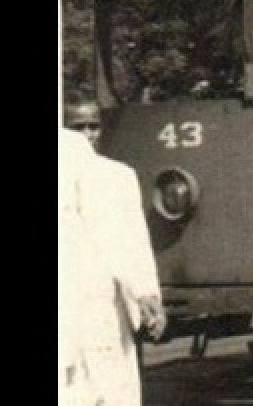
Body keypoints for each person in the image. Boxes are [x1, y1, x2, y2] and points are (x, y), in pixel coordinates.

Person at [59, 124, 166, 406]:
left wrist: (145, 291)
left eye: (93, 126)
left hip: (94, 303)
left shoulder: (108, 172)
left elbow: (123, 237)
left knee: (103, 386)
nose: (87, 134)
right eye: (79, 126)